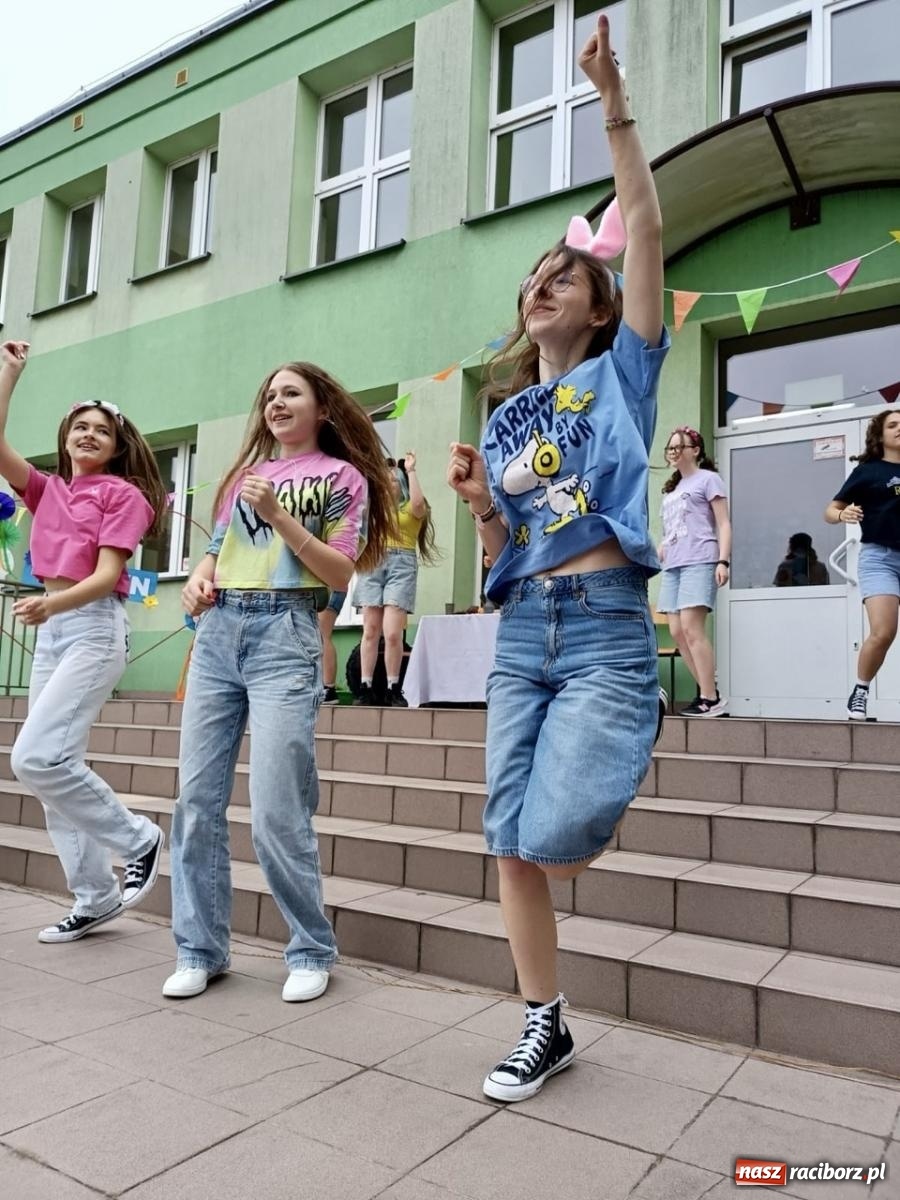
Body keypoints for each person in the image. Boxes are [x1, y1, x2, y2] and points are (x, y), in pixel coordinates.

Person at [446, 14, 667, 1103]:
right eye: (534, 278)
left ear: (600, 301)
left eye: (564, 276)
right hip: (523, 627)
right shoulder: (506, 412)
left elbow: (646, 224)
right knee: (512, 844)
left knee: (554, 827)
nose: (545, 285)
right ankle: (545, 1022)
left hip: (607, 625)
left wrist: (607, 96)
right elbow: (502, 546)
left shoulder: (624, 375)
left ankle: (626, 733)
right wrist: (484, 509)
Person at [164, 361, 395, 1000]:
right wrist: (197, 581)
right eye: (269, 394)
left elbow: (342, 574)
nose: (275, 402)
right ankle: (200, 948)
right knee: (195, 802)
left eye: (290, 392)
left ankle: (311, 949)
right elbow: (217, 551)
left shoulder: (340, 476)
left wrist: (282, 516)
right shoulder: (246, 476)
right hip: (218, 635)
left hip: (285, 634)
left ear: (322, 408)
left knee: (276, 805)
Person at [0, 340, 168, 942]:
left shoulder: (124, 496)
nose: (89, 434)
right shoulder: (47, 491)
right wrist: (10, 373)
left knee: (34, 758)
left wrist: (50, 602)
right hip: (54, 629)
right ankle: (94, 895)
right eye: (80, 427)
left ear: (118, 447)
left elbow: (104, 578)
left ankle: (138, 839)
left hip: (93, 628)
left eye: (101, 430)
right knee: (52, 772)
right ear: (66, 436)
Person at [825, 410, 900, 720]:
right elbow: (830, 509)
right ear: (880, 435)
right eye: (893, 425)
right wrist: (842, 515)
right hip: (880, 559)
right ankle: (861, 690)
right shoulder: (868, 472)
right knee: (883, 632)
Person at [656, 426, 731, 716]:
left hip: (700, 560)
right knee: (676, 631)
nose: (673, 452)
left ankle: (709, 698)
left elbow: (723, 523)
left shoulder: (708, 480)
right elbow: (670, 533)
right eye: (670, 448)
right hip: (673, 565)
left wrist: (723, 561)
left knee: (691, 627)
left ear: (695, 450)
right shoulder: (671, 492)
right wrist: (658, 552)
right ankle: (708, 693)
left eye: (679, 447)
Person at [353, 451, 436, 707]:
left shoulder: (411, 511)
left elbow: (420, 504)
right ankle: (366, 688)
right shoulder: (373, 512)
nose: (386, 482)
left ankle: (393, 688)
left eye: (391, 478)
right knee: (370, 631)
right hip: (373, 563)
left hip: (402, 565)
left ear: (400, 483)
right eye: (383, 478)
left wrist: (410, 470)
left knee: (391, 633)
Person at [318, 589, 346, 703]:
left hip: (330, 588)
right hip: (330, 588)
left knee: (322, 634)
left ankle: (328, 688)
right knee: (321, 635)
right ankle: (326, 688)